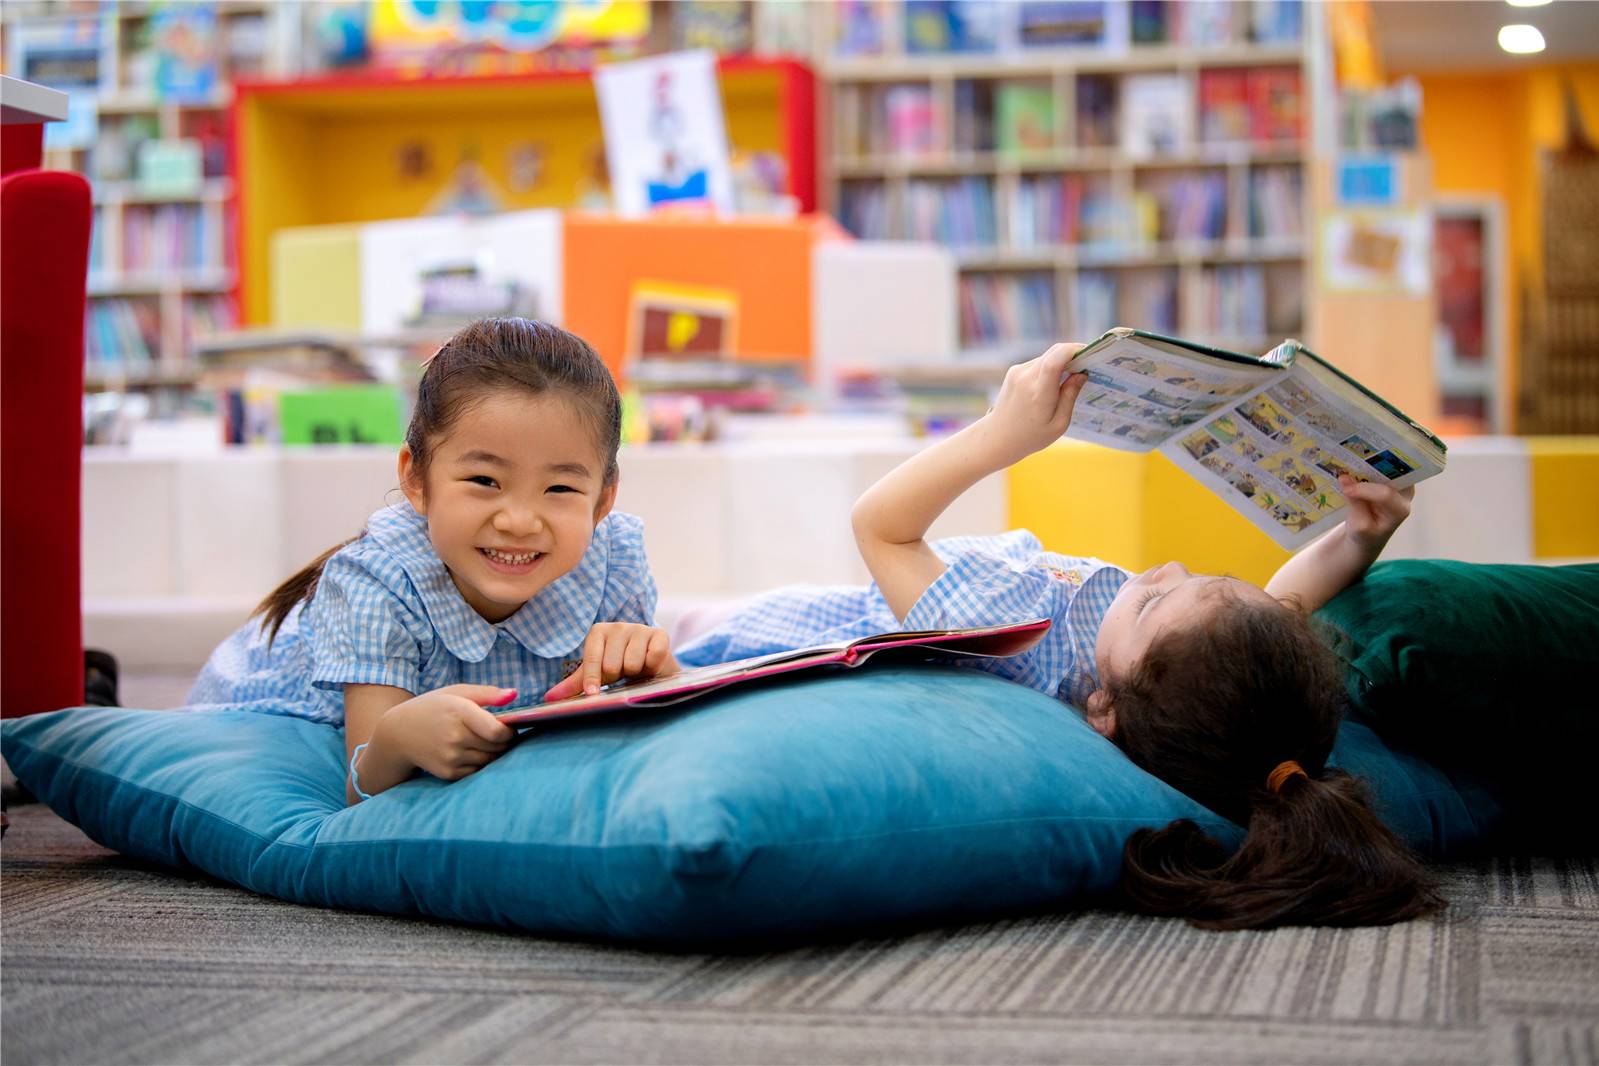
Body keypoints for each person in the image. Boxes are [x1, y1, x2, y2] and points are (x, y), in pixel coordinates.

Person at [677, 342, 1442, 930]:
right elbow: (1280, 607)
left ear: (1103, 707)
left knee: (676, 627)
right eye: (1202, 578)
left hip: (764, 631)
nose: (1164, 569)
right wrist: (1357, 538)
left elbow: (881, 528)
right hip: (819, 604)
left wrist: (999, 437)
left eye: (1155, 603)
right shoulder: (1193, 673)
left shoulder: (1018, 636)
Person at [189, 318, 677, 804]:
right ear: (416, 479)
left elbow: (656, 725)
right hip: (263, 712)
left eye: (561, 488)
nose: (520, 521)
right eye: (485, 481)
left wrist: (657, 666)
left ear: (603, 498)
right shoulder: (375, 585)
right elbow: (363, 790)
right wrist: (398, 738)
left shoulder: (614, 561)